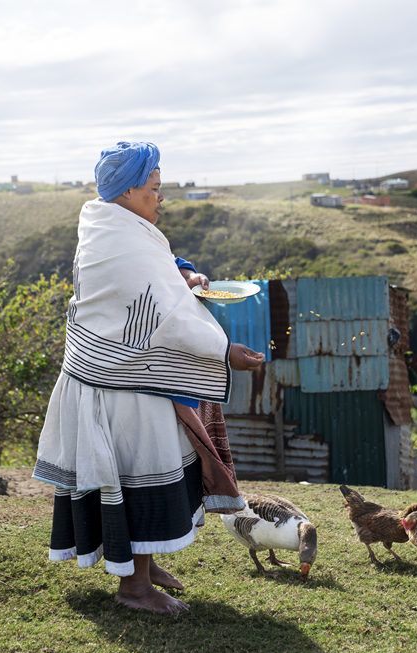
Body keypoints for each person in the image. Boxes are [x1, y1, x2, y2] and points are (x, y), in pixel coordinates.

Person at [33, 141, 264, 614]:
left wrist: (186, 274)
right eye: (155, 189)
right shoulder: (120, 239)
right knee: (139, 471)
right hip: (121, 379)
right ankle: (134, 588)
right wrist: (224, 352)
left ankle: (145, 565)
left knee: (156, 465)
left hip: (124, 371)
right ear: (127, 192)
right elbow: (163, 313)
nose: (162, 198)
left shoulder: (110, 226)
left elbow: (156, 274)